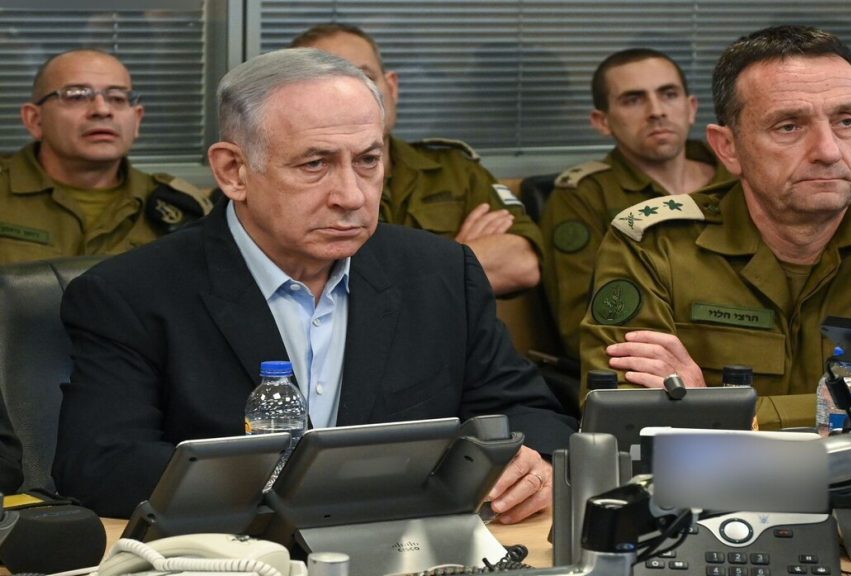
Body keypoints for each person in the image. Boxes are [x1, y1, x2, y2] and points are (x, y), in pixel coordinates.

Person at [53, 48, 575, 522]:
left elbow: (531, 413)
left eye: (368, 161)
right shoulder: (131, 293)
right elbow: (101, 465)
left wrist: (535, 465)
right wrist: (301, 485)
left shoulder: (440, 273)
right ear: (234, 171)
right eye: (315, 164)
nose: (351, 195)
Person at [578, 25, 851, 428]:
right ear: (728, 147)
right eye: (789, 126)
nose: (828, 151)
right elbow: (626, 416)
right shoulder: (654, 243)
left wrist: (721, 411)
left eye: (846, 121)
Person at [289, 24, 542, 297]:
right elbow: (312, 287)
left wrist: (405, 279)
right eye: (328, 85)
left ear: (392, 87)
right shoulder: (292, 184)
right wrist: (456, 258)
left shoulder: (454, 171)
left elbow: (521, 264)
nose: (351, 97)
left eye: (365, 78)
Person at [540, 48, 733, 360]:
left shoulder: (741, 177)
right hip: (661, 367)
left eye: (668, 94)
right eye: (633, 100)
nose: (656, 111)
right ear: (602, 121)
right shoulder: (584, 196)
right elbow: (585, 328)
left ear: (691, 108)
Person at [0, 49, 211, 265]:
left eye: (117, 98)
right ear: (34, 120)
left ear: (137, 120)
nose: (102, 110)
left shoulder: (183, 208)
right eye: (77, 96)